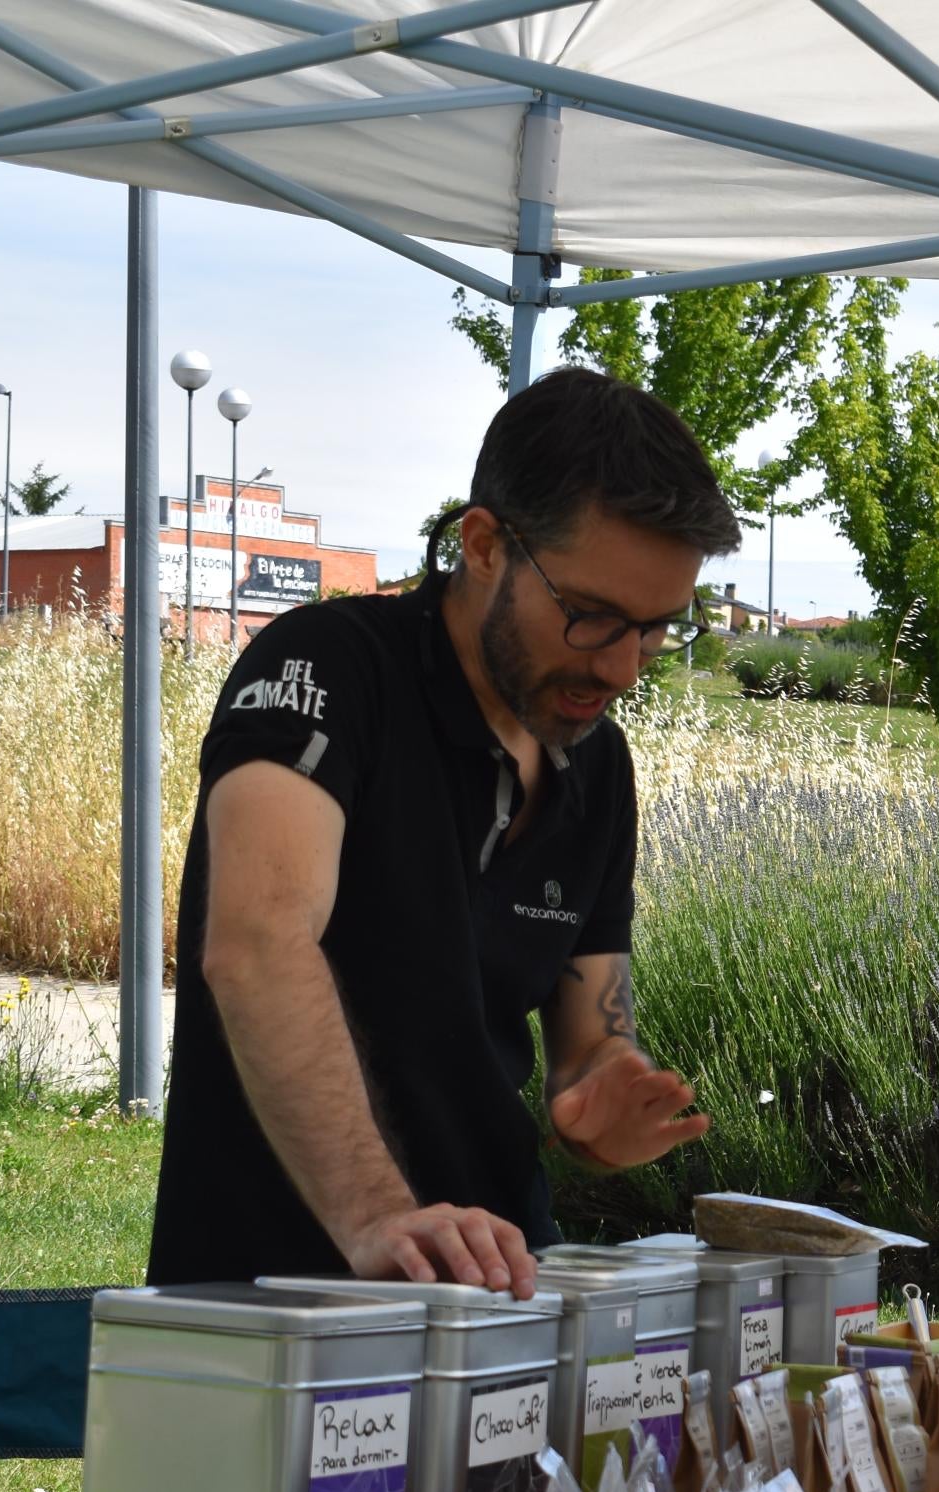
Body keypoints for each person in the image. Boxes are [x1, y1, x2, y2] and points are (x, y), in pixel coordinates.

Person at [146, 368, 726, 1293]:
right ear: (485, 544)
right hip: (274, 1303)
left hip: (496, 1293)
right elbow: (256, 941)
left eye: (656, 631)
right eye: (590, 617)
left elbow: (587, 1044)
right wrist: (381, 1217)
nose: (619, 667)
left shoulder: (597, 766)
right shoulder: (326, 668)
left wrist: (608, 1091)